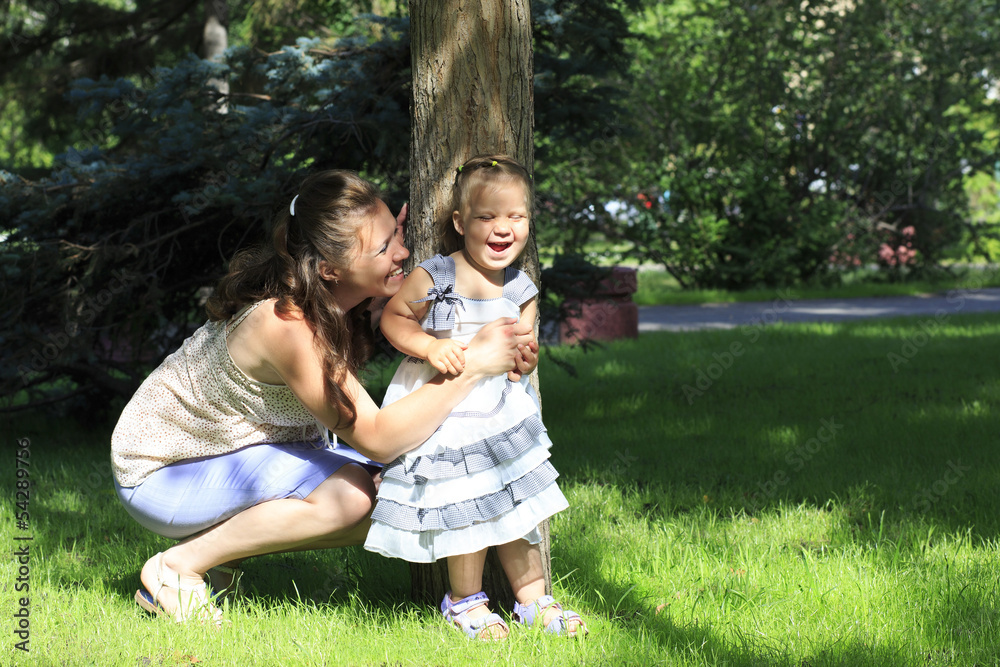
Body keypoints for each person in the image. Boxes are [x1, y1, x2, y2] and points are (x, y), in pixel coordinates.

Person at [111, 169, 527, 625]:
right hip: (162, 474)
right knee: (353, 498)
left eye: (397, 234)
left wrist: (379, 265)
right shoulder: (287, 324)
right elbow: (378, 438)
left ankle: (219, 557)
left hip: (233, 454)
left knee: (401, 491)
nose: (403, 253)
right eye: (383, 248)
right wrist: (474, 367)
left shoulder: (324, 298)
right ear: (329, 268)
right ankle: (177, 568)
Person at [364, 155, 587, 639]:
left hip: (499, 415)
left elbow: (522, 352)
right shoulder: (437, 275)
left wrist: (526, 360)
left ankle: (534, 600)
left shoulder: (521, 288)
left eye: (516, 216)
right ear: (461, 223)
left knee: (516, 503)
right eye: (486, 217)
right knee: (462, 503)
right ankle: (463, 601)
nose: (502, 228)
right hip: (443, 407)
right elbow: (395, 318)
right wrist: (429, 346)